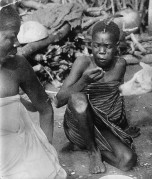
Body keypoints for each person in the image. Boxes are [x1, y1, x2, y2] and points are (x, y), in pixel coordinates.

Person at [55, 19, 139, 174]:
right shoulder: (83, 63)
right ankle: (93, 151)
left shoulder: (120, 64)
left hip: (103, 125)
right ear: (90, 44)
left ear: (117, 47)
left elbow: (117, 97)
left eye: (107, 46)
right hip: (79, 124)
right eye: (96, 45)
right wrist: (84, 81)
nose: (101, 51)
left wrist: (124, 127)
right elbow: (58, 100)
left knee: (128, 161)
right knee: (78, 99)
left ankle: (85, 146)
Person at [0, 3, 67, 179]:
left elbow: (45, 110)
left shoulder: (18, 66)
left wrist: (46, 151)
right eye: (12, 36)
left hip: (21, 154)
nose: (17, 42)